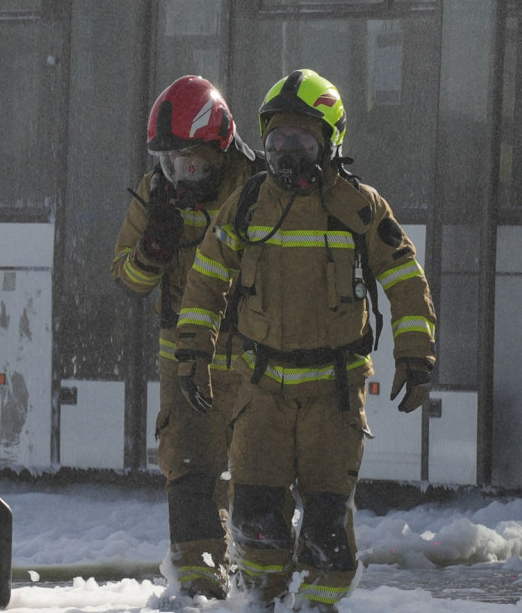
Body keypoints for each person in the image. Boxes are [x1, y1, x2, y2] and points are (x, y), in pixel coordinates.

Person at [173, 69, 437, 611]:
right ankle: (260, 602)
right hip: (261, 392)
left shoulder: (359, 207)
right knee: (255, 520)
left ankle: (320, 604)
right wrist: (194, 351)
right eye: (276, 142)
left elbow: (405, 279)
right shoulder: (247, 206)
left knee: (325, 526)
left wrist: (416, 353)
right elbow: (205, 277)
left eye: (300, 142)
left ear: (330, 142)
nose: (285, 154)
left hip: (334, 395)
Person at [110, 75, 261, 600]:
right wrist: (151, 250)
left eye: (191, 164)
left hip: (252, 360)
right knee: (189, 473)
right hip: (184, 365)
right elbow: (126, 279)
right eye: (171, 163)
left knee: (259, 476)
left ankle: (260, 588)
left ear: (219, 150)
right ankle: (198, 592)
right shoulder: (157, 194)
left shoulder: (257, 186)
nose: (180, 176)